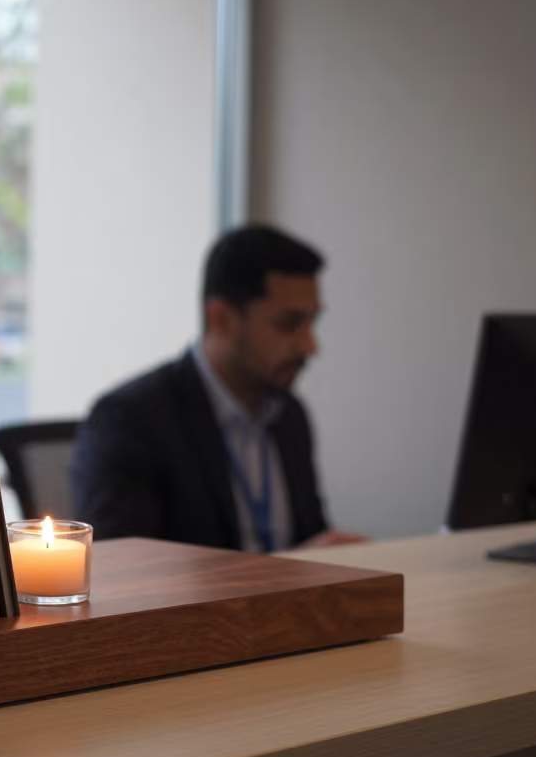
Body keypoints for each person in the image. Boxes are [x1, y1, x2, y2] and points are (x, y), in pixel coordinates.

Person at [71, 224, 364, 551]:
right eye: (289, 324)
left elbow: (311, 541)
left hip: (289, 604)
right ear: (221, 318)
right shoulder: (131, 421)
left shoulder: (289, 416)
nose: (310, 346)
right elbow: (125, 573)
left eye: (312, 323)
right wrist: (287, 573)